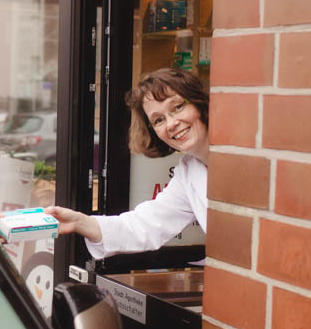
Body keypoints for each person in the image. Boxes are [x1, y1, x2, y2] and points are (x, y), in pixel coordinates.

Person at [45, 68, 209, 260]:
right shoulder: (189, 171)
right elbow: (146, 224)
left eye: (178, 107)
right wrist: (81, 223)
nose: (171, 123)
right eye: (158, 120)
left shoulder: (247, 153)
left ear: (199, 102)